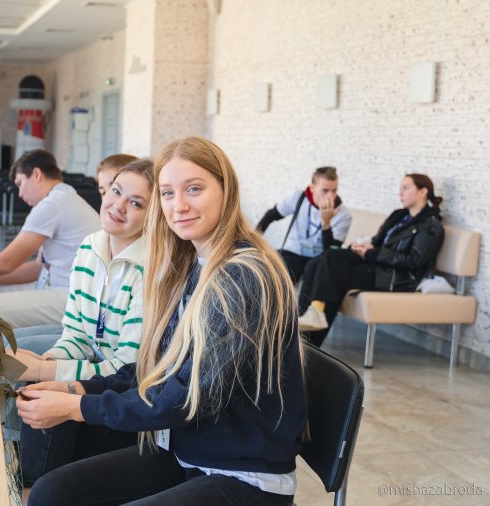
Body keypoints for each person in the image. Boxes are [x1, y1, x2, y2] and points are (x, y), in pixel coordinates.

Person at [17, 137, 306, 506]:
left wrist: (76, 407)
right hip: (188, 452)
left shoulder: (242, 275)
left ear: (227, 189)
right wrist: (75, 389)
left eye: (194, 189)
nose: (179, 205)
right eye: (168, 193)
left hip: (242, 474)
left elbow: (187, 398)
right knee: (51, 493)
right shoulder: (192, 265)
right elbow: (154, 369)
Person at [10, 157, 153, 498]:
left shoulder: (152, 268)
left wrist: (45, 370)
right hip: (99, 379)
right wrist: (48, 362)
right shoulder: (89, 247)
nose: (118, 206)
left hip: (132, 393)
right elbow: (76, 334)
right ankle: (31, 487)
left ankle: (33, 491)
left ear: (154, 216)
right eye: (115, 192)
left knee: (45, 385)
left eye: (136, 203)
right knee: (36, 384)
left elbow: (128, 369)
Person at [297, 174, 445, 345]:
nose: (400, 193)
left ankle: (309, 339)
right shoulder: (398, 216)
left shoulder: (430, 225)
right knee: (318, 262)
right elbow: (377, 242)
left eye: (406, 188)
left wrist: (372, 253)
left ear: (423, 192)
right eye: (400, 188)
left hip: (395, 277)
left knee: (336, 273)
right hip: (377, 265)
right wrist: (363, 247)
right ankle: (305, 321)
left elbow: (413, 260)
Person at [0, 149, 101, 328]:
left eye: (20, 183)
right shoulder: (65, 197)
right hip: (64, 288)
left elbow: (6, 262)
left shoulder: (52, 204)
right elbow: (37, 268)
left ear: (36, 174)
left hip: (72, 297)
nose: (20, 194)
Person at [256, 166, 352, 283]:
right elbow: (270, 216)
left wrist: (326, 224)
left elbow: (330, 253)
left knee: (315, 273)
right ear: (312, 188)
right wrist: (252, 241)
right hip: (293, 252)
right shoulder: (299, 197)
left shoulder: (343, 215)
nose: (330, 196)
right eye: (325, 191)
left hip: (319, 259)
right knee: (273, 273)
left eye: (334, 191)